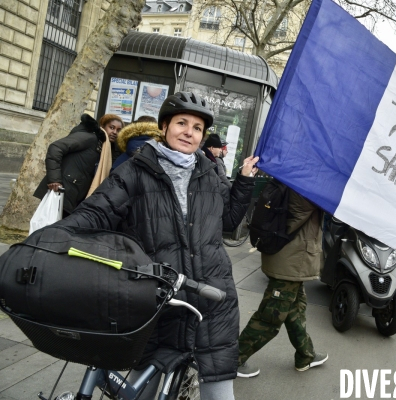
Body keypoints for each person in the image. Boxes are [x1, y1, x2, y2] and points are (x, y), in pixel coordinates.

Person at [54, 91, 259, 399]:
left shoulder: (210, 174)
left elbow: (228, 222)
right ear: (164, 127)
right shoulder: (135, 171)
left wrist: (243, 182)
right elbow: (95, 212)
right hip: (156, 299)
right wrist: (52, 242)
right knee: (141, 391)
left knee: (219, 391)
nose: (189, 132)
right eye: (181, 123)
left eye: (197, 128)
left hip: (211, 299)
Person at [237, 188, 328, 377]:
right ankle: (233, 360)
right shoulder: (303, 186)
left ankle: (305, 355)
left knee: (295, 308)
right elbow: (297, 214)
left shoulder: (293, 180)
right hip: (291, 260)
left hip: (291, 259)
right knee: (271, 316)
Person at [33, 114, 107, 217]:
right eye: (111, 128)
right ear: (102, 127)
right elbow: (56, 148)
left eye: (118, 130)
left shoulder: (104, 148)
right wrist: (55, 180)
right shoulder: (91, 138)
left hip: (72, 195)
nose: (114, 132)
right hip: (62, 192)